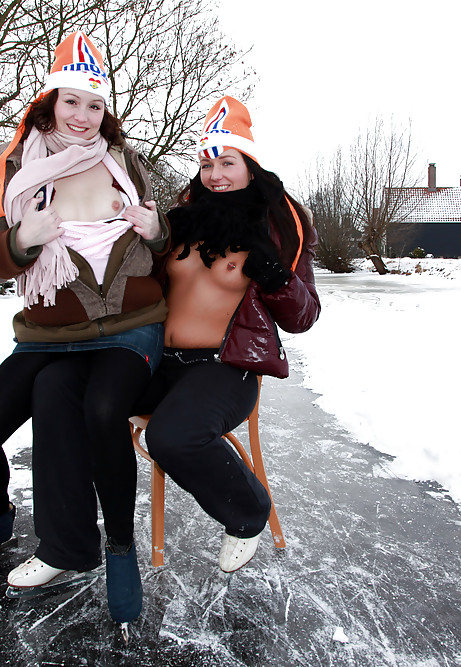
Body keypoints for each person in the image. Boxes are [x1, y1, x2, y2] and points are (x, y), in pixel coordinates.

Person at [0, 31, 167, 625]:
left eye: (96, 104)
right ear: (49, 101)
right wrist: (20, 241)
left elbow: (161, 246)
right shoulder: (10, 168)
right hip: (50, 333)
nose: (85, 117)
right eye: (72, 102)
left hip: (130, 323)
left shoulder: (127, 164)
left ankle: (114, 549)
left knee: (96, 411)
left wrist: (155, 230)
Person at [134, 96, 320, 573]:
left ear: (250, 165)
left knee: (172, 437)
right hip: (161, 361)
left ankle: (247, 514)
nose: (215, 174)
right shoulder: (181, 223)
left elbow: (303, 316)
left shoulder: (280, 225)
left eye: (227, 162)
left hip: (227, 367)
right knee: (82, 398)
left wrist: (276, 275)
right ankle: (84, 541)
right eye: (206, 163)